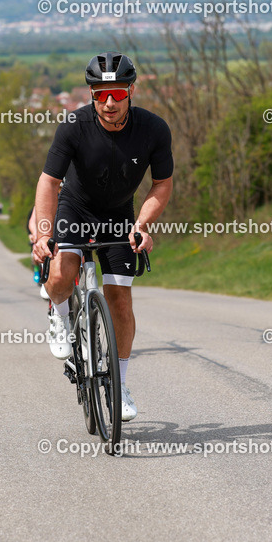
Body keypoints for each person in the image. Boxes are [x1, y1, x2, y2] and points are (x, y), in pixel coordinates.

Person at [31, 52, 173, 423]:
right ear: (92, 94)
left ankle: (120, 384)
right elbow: (49, 181)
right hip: (75, 209)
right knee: (60, 275)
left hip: (118, 216)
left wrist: (142, 225)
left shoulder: (153, 129)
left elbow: (162, 184)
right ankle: (59, 313)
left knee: (120, 302)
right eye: (100, 94)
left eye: (118, 94)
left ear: (130, 91)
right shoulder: (73, 126)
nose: (109, 102)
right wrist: (44, 233)